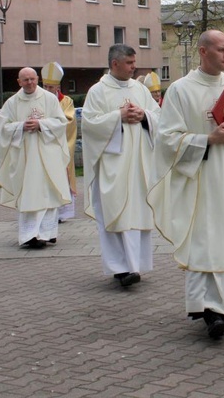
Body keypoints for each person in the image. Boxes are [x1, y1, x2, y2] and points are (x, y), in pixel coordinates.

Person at [147, 30, 224, 339]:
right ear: (202, 52)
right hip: (199, 181)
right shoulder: (181, 91)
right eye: (221, 49)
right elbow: (168, 139)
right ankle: (209, 309)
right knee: (206, 240)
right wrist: (207, 139)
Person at [82, 44, 160, 287]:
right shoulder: (97, 91)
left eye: (133, 62)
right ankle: (120, 268)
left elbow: (159, 116)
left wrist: (144, 116)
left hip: (139, 163)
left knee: (138, 211)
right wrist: (118, 116)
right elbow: (89, 124)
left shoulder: (139, 88)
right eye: (129, 63)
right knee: (115, 212)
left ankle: (136, 265)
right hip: (113, 163)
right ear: (115, 64)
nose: (133, 66)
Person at [0, 67, 71, 249]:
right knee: (29, 193)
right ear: (19, 81)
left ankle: (48, 233)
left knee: (48, 192)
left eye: (32, 79)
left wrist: (41, 124)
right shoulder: (12, 103)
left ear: (37, 79)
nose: (29, 83)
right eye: (25, 80)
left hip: (48, 154)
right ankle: (29, 235)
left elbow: (61, 123)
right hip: (25, 157)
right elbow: (3, 128)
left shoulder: (49, 99)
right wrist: (21, 126)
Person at [41, 61, 77, 223]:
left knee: (61, 176)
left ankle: (61, 212)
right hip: (42, 145)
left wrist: (47, 124)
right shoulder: (37, 100)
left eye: (51, 87)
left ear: (58, 87)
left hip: (59, 145)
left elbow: (68, 121)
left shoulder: (66, 101)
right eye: (45, 86)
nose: (47, 90)